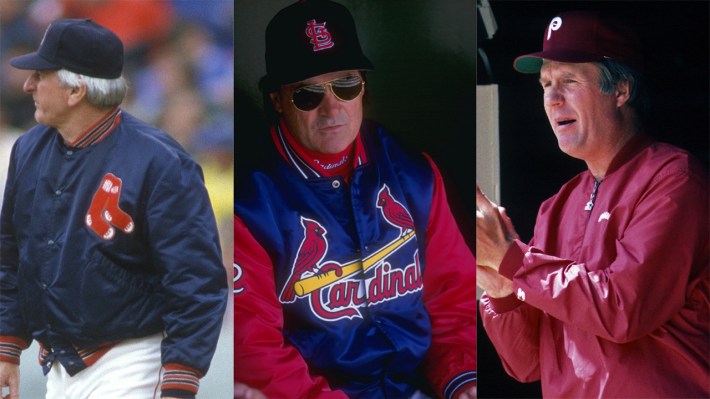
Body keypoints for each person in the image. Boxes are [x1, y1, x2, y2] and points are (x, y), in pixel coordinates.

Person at [234, 1, 476, 398]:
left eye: (346, 85)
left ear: (363, 86)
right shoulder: (248, 204)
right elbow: (254, 351)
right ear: (277, 100)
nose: (333, 109)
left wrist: (463, 376)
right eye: (307, 95)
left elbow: (454, 297)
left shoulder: (411, 170)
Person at [476, 10, 709, 398]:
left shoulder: (674, 178)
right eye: (545, 83)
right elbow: (527, 364)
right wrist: (499, 291)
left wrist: (513, 260)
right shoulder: (557, 206)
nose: (551, 98)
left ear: (620, 91)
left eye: (569, 80)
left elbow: (624, 310)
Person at [0, 19, 228, 399]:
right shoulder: (29, 148)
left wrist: (180, 376)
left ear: (76, 90)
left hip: (135, 358)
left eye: (40, 75)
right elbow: (10, 254)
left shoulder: (160, 161)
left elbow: (196, 279)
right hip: (58, 362)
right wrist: (8, 346)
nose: (28, 85)